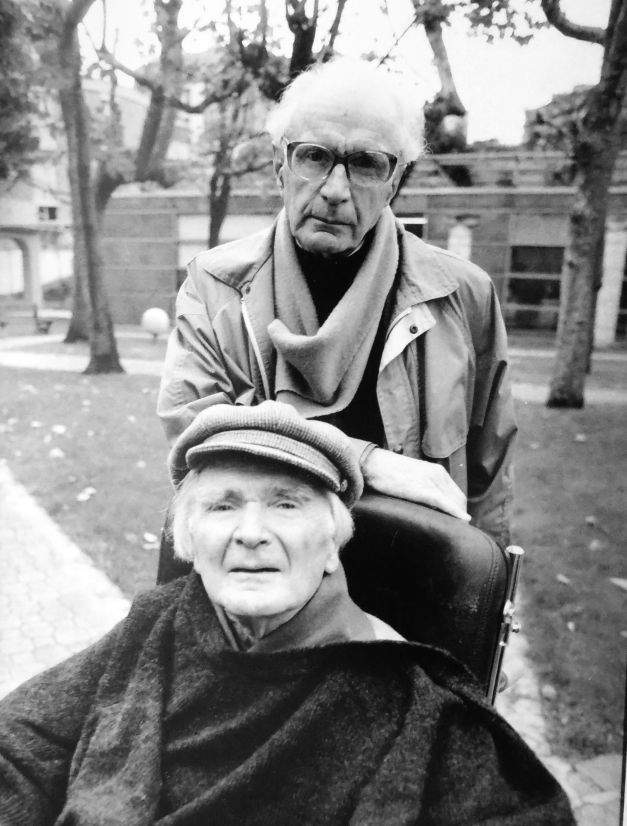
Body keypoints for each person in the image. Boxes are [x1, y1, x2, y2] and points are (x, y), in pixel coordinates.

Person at [0, 402, 572, 825]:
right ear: (188, 539)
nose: (251, 534)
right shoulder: (159, 621)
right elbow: (22, 742)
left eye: (285, 504)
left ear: (331, 543)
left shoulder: (415, 706)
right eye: (223, 506)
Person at [157, 57, 517, 552]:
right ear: (280, 164)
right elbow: (198, 435)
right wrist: (364, 459)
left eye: (367, 164)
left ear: (395, 180)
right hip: (261, 578)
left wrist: (486, 593)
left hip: (414, 580)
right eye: (314, 156)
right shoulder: (214, 285)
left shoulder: (463, 295)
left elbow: (489, 479)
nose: (334, 190)